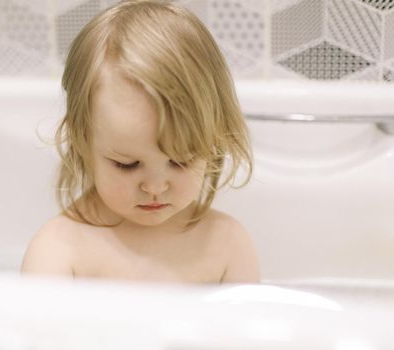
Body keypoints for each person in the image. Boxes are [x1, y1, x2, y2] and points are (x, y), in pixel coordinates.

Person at [21, 0, 260, 284]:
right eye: (127, 164)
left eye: (181, 161)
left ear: (215, 137)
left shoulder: (227, 245)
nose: (155, 187)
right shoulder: (59, 251)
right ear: (81, 139)